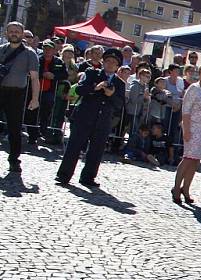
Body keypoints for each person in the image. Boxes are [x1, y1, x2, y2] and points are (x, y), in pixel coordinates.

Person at [56, 48, 126, 188]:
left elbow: (119, 104)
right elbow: (80, 89)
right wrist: (95, 87)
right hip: (85, 116)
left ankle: (88, 177)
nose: (110, 64)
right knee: (74, 146)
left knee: (97, 149)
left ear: (118, 66)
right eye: (107, 61)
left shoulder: (120, 83)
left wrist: (111, 94)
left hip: (103, 120)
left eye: (114, 62)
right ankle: (64, 174)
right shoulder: (92, 73)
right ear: (103, 62)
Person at [172, 64, 201, 204]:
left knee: (196, 161)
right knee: (188, 158)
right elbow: (186, 110)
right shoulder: (194, 89)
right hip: (193, 126)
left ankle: (187, 188)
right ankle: (177, 187)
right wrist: (186, 129)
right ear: (200, 73)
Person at [0, 21, 40, 173]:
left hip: (17, 93)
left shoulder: (30, 53)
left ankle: (14, 160)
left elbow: (35, 78)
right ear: (6, 33)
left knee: (14, 128)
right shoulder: (1, 50)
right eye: (11, 31)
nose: (14, 33)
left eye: (17, 31)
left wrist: (35, 99)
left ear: (22, 34)